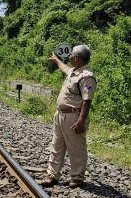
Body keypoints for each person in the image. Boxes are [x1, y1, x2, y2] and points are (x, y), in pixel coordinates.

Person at [41, 45, 97, 188]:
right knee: (56, 145)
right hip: (60, 115)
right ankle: (52, 175)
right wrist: (56, 60)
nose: (70, 56)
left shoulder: (87, 77)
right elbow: (65, 68)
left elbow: (87, 101)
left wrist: (81, 121)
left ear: (77, 58)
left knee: (76, 147)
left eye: (71, 55)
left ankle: (77, 177)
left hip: (74, 116)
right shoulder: (73, 71)